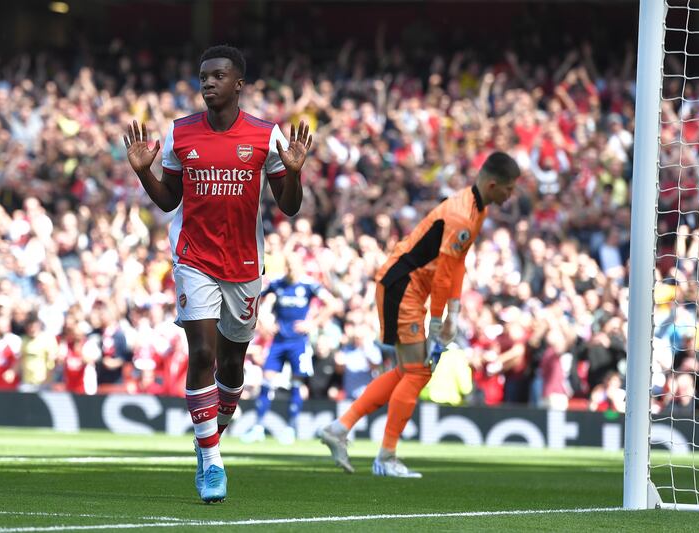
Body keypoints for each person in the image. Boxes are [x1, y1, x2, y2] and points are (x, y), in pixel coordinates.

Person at [124, 44, 311, 503]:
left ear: (238, 83)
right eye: (204, 75)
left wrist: (295, 173)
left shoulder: (267, 135)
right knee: (202, 351)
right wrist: (144, 174)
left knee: (231, 364)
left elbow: (289, 207)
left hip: (245, 262)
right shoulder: (179, 133)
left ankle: (209, 438)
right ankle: (211, 462)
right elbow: (169, 200)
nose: (208, 82)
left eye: (218, 76)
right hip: (194, 258)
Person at [318, 152, 520, 477]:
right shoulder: (461, 215)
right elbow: (442, 275)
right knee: (418, 371)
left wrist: (453, 312)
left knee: (406, 371)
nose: (511, 196)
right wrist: (439, 322)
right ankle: (385, 457)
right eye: (509, 189)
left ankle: (340, 429)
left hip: (409, 285)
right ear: (493, 184)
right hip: (403, 285)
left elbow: (456, 266)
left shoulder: (476, 209)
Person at [241, 254, 337, 445]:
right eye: (289, 265)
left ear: (300, 266)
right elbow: (255, 300)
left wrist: (313, 323)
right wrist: (264, 323)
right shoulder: (278, 284)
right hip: (278, 340)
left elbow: (332, 303)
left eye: (294, 265)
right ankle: (259, 427)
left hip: (298, 342)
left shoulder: (309, 285)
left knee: (296, 383)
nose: (292, 269)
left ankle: (290, 429)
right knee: (267, 381)